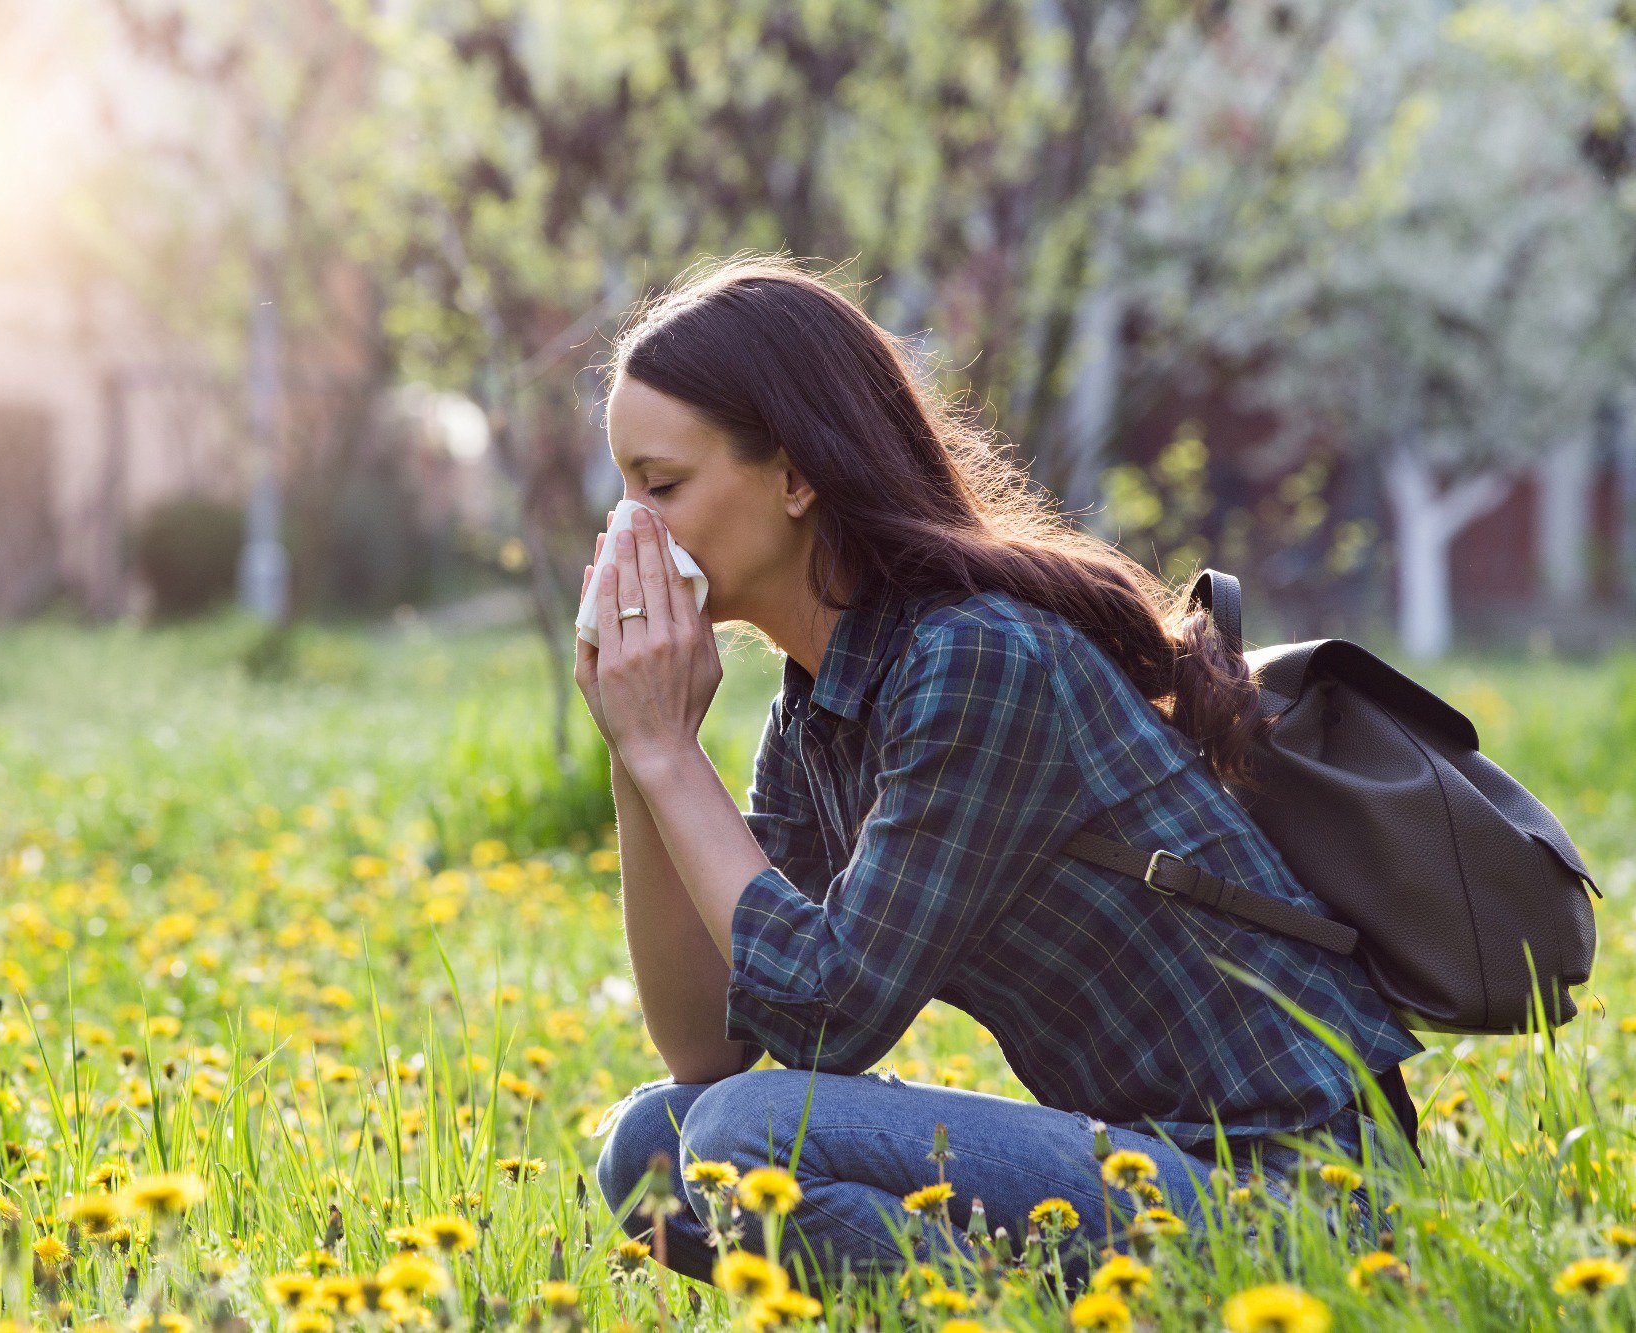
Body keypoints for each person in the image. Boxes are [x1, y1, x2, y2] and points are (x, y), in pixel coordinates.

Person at [573, 254, 1422, 1295]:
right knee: (650, 1148)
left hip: (1299, 1198)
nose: (628, 530)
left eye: (660, 486)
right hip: (1140, 1168)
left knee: (742, 1137)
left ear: (794, 476)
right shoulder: (818, 711)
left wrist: (668, 753)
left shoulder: (973, 657)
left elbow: (829, 1019)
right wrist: (639, 754)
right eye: (622, 489)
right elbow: (706, 1044)